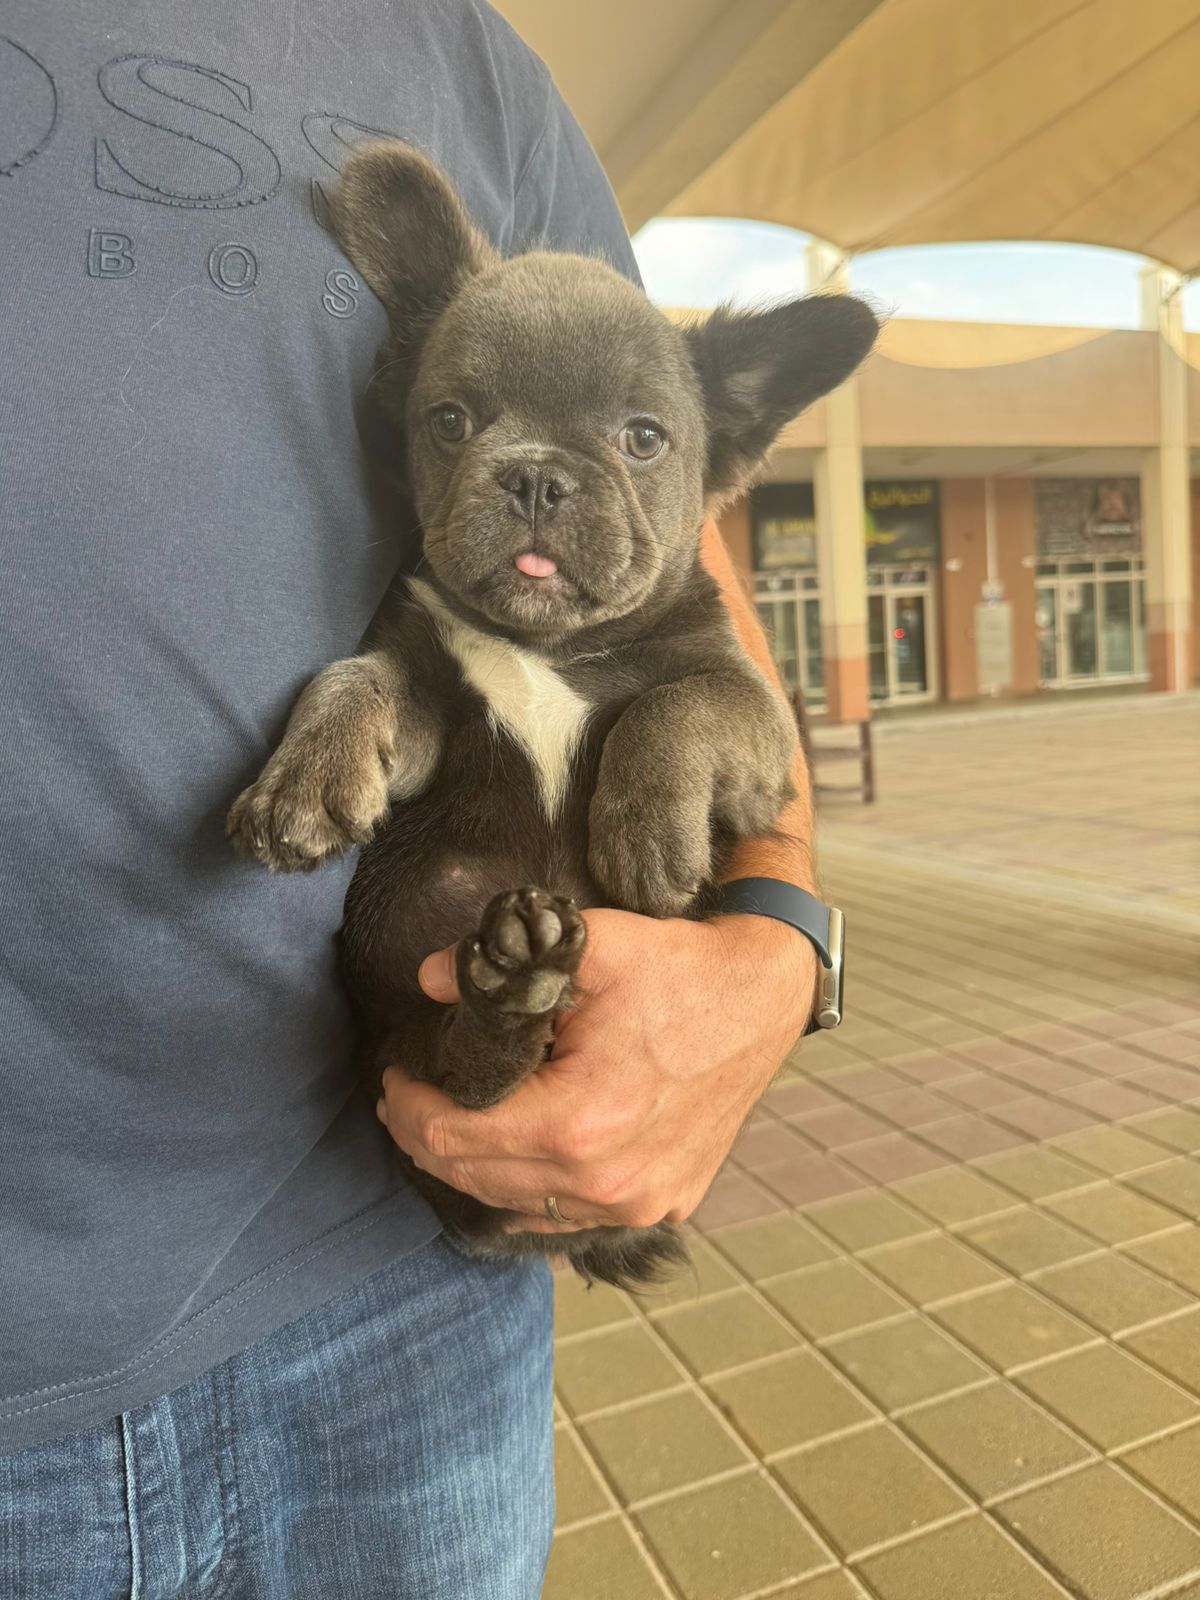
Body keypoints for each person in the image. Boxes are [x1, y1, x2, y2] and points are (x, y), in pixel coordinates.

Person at [0, 3, 817, 1595]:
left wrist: (780, 945)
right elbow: (404, 682)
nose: (536, 477)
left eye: (624, 442)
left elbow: (695, 550)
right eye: (465, 427)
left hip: (402, 1281)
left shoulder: (465, 52)